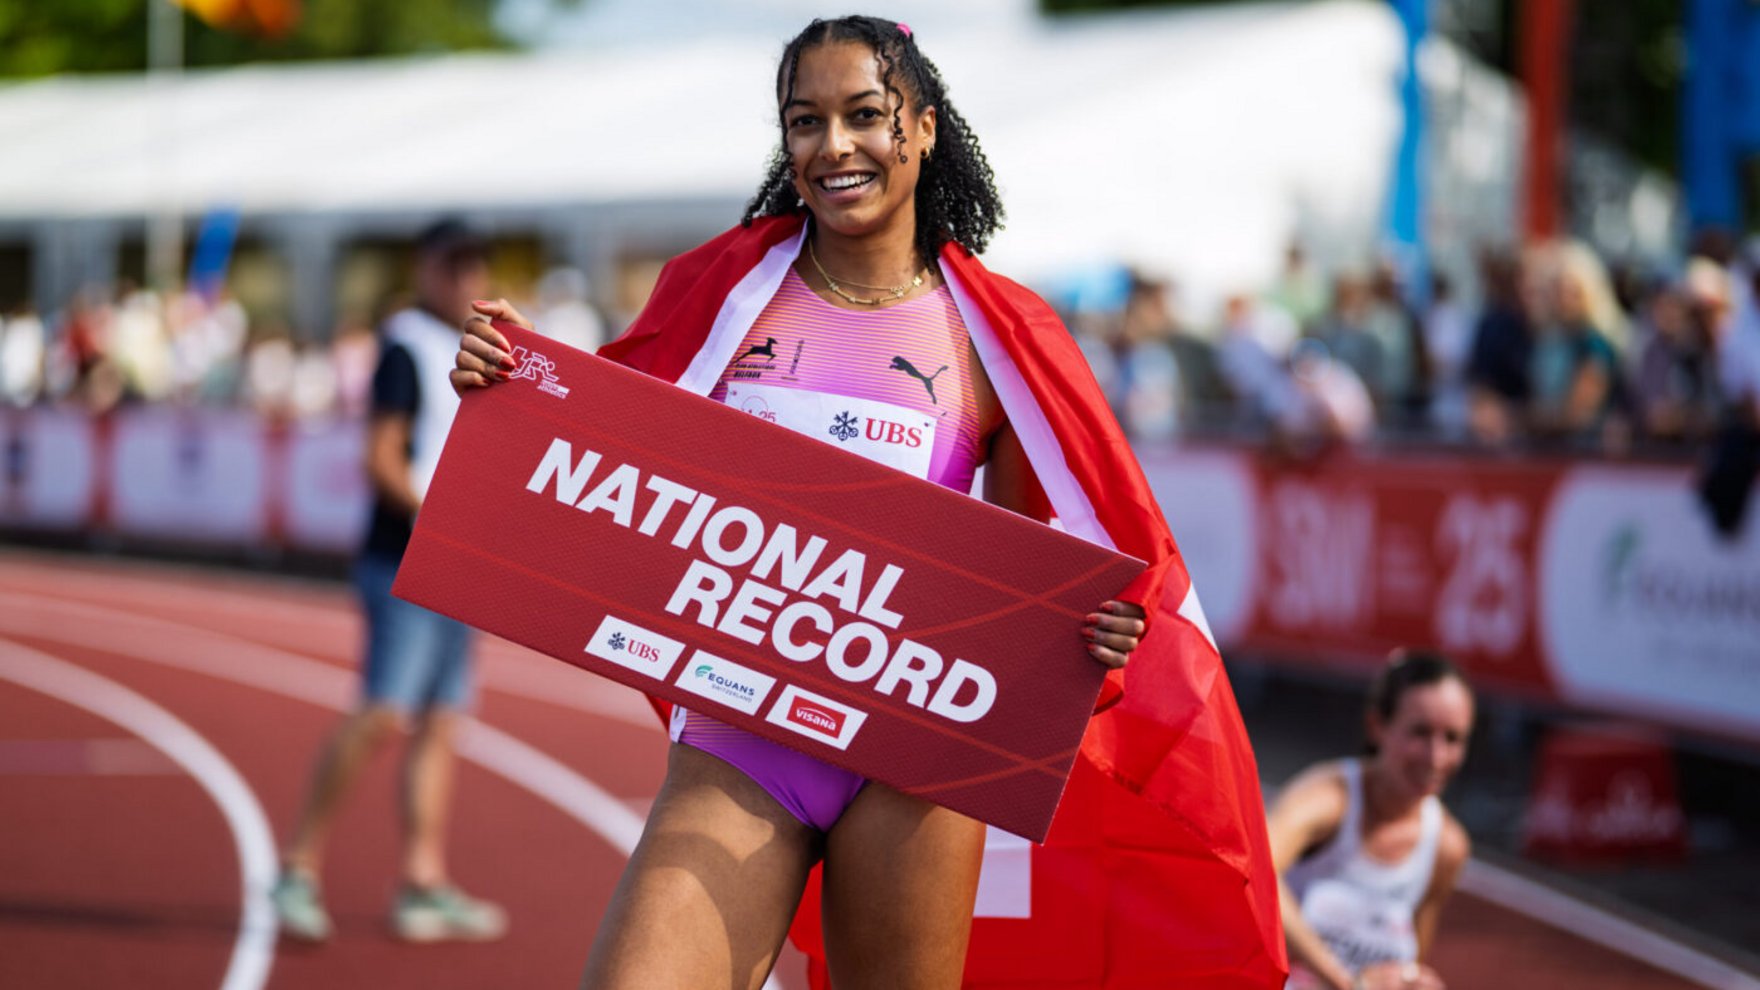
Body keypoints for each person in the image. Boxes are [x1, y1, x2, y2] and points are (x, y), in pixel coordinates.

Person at [451, 16, 1281, 989]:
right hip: (743, 735)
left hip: (915, 759)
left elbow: (1036, 576)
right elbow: (606, 452)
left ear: (922, 128)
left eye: (863, 115)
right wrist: (512, 377)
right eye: (804, 121)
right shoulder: (720, 293)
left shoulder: (993, 336)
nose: (833, 145)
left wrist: (1095, 627)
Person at [270, 219, 508, 944]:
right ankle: (298, 866)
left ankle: (422, 882)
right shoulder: (406, 346)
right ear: (425, 268)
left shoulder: (480, 344)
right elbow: (380, 456)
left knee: (440, 722)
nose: (465, 279)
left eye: (476, 266)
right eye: (452, 265)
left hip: (457, 560)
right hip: (405, 557)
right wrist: (437, 520)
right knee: (382, 711)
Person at [1266, 651, 1474, 990]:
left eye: (1452, 738)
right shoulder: (1329, 798)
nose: (1436, 757)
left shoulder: (1447, 847)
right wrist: (1347, 983)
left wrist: (1413, 982)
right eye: (1420, 733)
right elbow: (1256, 873)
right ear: (1377, 726)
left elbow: (1407, 965)